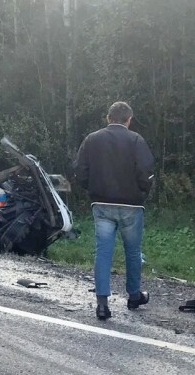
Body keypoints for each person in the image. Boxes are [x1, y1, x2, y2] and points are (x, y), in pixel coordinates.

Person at [74, 101, 154, 320]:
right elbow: (146, 172)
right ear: (129, 120)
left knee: (103, 252)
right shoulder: (136, 140)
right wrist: (143, 191)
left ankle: (102, 304)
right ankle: (134, 295)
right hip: (131, 204)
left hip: (102, 204)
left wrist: (92, 189)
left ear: (108, 118)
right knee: (133, 252)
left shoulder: (92, 139)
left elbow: (80, 172)